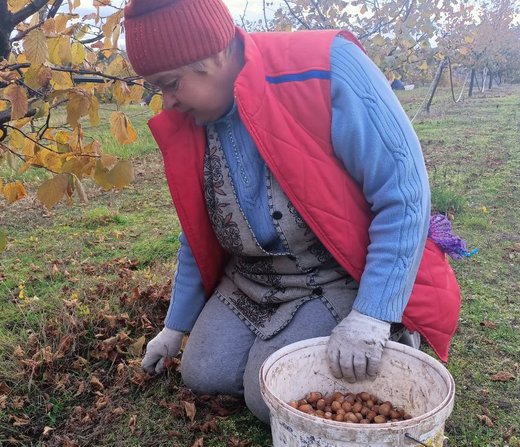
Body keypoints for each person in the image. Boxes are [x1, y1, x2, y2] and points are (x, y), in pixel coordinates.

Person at [123, 0, 466, 424]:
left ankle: (394, 332)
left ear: (214, 56)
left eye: (170, 83)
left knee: (266, 398)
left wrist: (372, 315)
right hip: (250, 279)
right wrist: (175, 327)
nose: (167, 102)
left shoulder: (326, 68)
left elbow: (404, 195)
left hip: (334, 273)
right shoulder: (197, 122)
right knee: (203, 374)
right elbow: (197, 232)